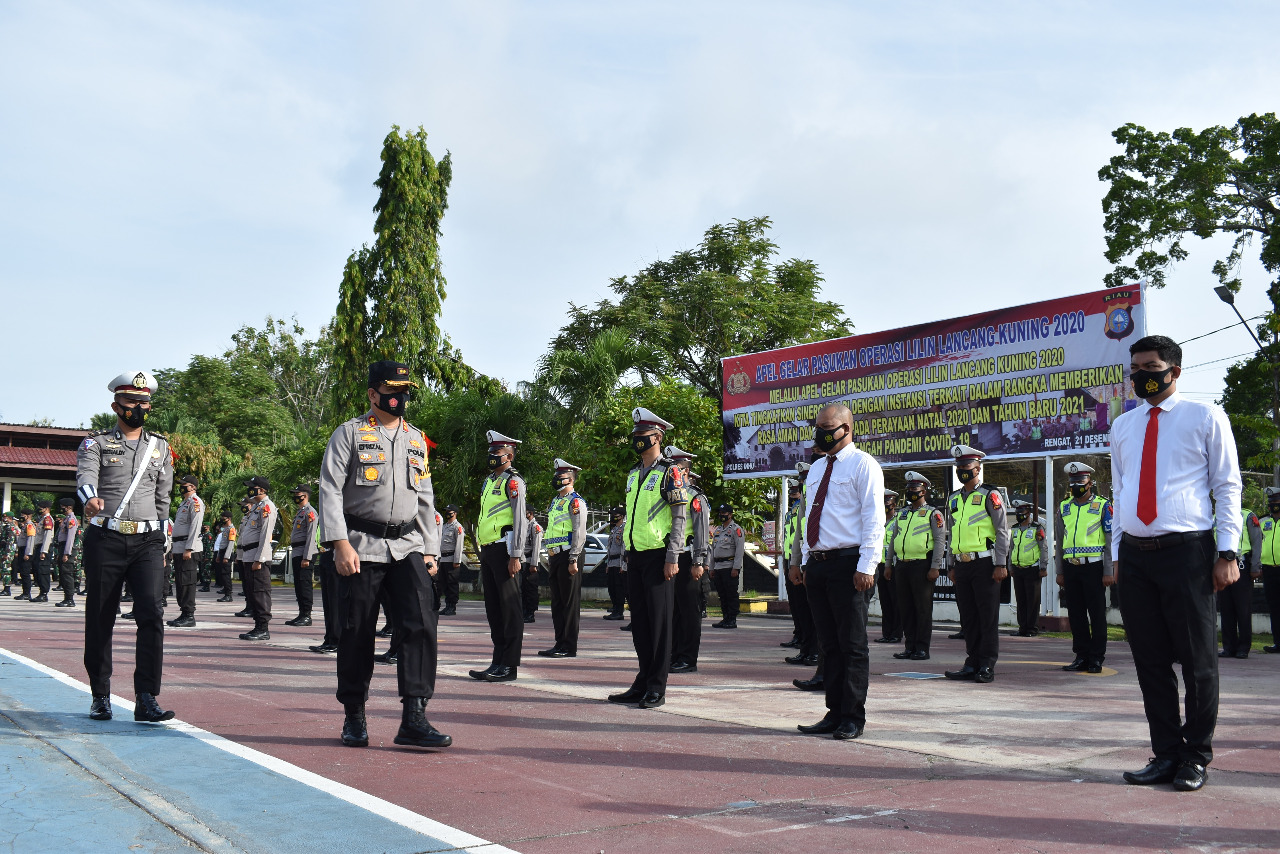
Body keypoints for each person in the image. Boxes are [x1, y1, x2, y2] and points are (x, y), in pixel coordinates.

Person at [1112, 335, 1242, 793]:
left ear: (1174, 371)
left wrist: (1228, 552)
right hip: (1135, 554)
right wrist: (1115, 555)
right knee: (1149, 661)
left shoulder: (1204, 417)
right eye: (1134, 369)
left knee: (1197, 661)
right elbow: (1120, 490)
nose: (1140, 376)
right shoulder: (1123, 426)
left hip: (1187, 552)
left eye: (1150, 367)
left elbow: (1227, 487)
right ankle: (1165, 752)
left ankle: (1195, 756)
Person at [319, 359, 449, 749]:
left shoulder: (415, 438)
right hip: (361, 544)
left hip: (407, 545)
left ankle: (414, 716)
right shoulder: (349, 434)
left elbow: (424, 497)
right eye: (392, 392)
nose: (400, 398)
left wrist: (430, 550)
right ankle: (354, 715)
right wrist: (338, 542)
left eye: (404, 391)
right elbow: (330, 488)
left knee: (421, 624)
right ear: (373, 393)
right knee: (357, 629)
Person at [76, 370, 175, 723]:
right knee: (101, 615)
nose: (140, 407)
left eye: (145, 402)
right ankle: (100, 694)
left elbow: (164, 497)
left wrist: (163, 540)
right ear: (117, 405)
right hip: (107, 537)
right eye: (133, 401)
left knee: (152, 612)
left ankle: (146, 697)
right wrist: (89, 500)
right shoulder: (96, 443)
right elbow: (85, 477)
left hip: (147, 539)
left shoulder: (160, 446)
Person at [793, 403, 885, 740]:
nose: (820, 432)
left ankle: (852, 717)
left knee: (852, 644)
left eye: (827, 426)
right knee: (828, 644)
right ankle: (833, 711)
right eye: (818, 426)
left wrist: (867, 565)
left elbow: (875, 519)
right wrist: (803, 559)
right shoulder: (817, 469)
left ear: (846, 428)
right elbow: (809, 519)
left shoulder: (864, 465)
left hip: (850, 565)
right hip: (818, 565)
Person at [607, 408, 687, 709]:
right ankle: (642, 681)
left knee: (659, 625)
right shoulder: (633, 474)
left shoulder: (670, 472)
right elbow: (632, 517)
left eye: (643, 436)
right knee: (639, 624)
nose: (638, 441)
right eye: (635, 436)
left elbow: (679, 516)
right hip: (636, 556)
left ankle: (657, 686)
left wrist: (673, 555)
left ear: (658, 437)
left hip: (659, 556)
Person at [942, 445, 1010, 684]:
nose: (962, 471)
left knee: (987, 616)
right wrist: (951, 564)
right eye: (959, 467)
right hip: (961, 565)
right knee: (968, 617)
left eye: (966, 467)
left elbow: (1002, 531)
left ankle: (987, 664)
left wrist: (1001, 563)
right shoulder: (953, 499)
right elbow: (951, 534)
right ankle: (972, 662)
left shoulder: (990, 495)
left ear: (978, 469)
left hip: (985, 563)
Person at [468, 431, 528, 683]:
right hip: (489, 549)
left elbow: (519, 520)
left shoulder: (513, 482)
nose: (492, 457)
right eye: (490, 452)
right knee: (494, 608)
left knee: (509, 609)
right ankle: (497, 660)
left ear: (509, 456)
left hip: (505, 550)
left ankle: (509, 665)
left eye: (497, 453)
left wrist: (516, 554)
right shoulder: (489, 481)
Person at [1057, 461, 1113, 673]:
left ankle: (1096, 657)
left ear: (1090, 482)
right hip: (1071, 567)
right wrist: (1060, 571)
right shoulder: (1064, 507)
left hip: (1094, 567)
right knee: (1076, 614)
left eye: (1080, 481)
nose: (1076, 486)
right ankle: (1081, 655)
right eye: (1073, 482)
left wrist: (1109, 571)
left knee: (1096, 613)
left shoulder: (1103, 505)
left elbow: (1109, 540)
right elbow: (1061, 540)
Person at [886, 471, 946, 661]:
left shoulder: (933, 513)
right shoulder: (902, 514)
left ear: (924, 491)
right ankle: (909, 646)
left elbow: (939, 541)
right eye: (909, 489)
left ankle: (922, 648)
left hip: (922, 566)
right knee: (906, 608)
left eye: (915, 489)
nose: (911, 492)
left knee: (922, 609)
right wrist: (889, 564)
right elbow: (894, 540)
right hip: (902, 566)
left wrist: (935, 566)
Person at [540, 459, 589, 658]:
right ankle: (559, 642)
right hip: (554, 555)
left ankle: (569, 646)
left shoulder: (575, 501)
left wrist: (574, 558)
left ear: (570, 479)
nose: (557, 480)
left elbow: (579, 531)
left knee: (569, 603)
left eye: (560, 477)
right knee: (557, 602)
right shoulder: (555, 501)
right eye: (556, 476)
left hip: (569, 554)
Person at [669, 449, 708, 674]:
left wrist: (699, 560)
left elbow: (702, 531)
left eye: (674, 469)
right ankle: (674, 654)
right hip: (672, 557)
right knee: (673, 610)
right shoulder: (669, 494)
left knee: (689, 611)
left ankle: (687, 657)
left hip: (689, 557)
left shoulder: (695, 496)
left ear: (684, 471)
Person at [1218, 500, 1261, 659]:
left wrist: (1255, 567)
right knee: (1226, 609)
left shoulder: (1248, 515)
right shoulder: (1217, 517)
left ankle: (1243, 647)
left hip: (1242, 565)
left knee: (1242, 609)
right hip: (1221, 566)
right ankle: (1228, 647)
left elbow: (1257, 542)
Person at [237, 477, 278, 641]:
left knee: (260, 592)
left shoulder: (267, 507)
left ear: (262, 490)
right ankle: (257, 625)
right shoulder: (256, 508)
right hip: (249, 555)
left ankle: (263, 628)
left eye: (252, 487)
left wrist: (259, 559)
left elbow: (265, 534)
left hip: (257, 556)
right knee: (253, 592)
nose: (250, 490)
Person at [166, 475, 204, 627]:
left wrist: (189, 548)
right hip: (180, 547)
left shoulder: (195, 502)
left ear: (193, 487)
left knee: (187, 583)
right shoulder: (184, 503)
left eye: (184, 484)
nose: (182, 487)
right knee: (181, 582)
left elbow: (195, 527)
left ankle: (189, 615)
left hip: (189, 549)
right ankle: (184, 613)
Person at [1008, 500, 1048, 638]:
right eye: (1017, 514)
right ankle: (1022, 627)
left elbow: (1043, 548)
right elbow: (1011, 548)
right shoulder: (1014, 529)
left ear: (1028, 514)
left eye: (1022, 514)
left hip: (1032, 568)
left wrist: (1043, 566)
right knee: (1021, 600)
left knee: (1033, 600)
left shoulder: (1037, 528)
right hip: (1017, 568)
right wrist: (1010, 566)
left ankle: (1032, 628)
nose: (1019, 516)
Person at [286, 484, 319, 627]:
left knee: (305, 585)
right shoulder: (300, 512)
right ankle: (301, 613)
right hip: (297, 551)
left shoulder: (310, 512)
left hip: (305, 552)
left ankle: (307, 615)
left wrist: (307, 557)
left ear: (304, 495)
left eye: (297, 494)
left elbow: (312, 536)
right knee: (299, 585)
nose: (295, 497)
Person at [872, 490, 901, 644]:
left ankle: (896, 633)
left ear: (893, 505)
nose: (884, 506)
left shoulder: (898, 521)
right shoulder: (878, 522)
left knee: (895, 601)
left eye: (887, 503)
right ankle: (887, 633)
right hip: (880, 565)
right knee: (885, 601)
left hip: (894, 566)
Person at [709, 504, 745, 629]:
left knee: (731, 594)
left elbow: (740, 550)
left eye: (724, 513)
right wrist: (711, 568)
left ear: (730, 514)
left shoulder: (736, 529)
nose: (721, 515)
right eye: (720, 512)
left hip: (729, 567)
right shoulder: (718, 530)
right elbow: (713, 550)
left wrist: (736, 568)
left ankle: (732, 619)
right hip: (718, 567)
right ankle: (725, 618)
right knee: (722, 595)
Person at [1258, 488, 1280, 654]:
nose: (1274, 505)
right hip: (1268, 569)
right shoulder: (1263, 521)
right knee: (1274, 607)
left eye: (1276, 502)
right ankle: (1277, 642)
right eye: (1271, 502)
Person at [437, 505, 464, 616]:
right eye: (446, 511)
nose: (447, 513)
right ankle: (447, 606)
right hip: (442, 559)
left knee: (452, 584)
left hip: (451, 559)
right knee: (442, 583)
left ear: (455, 513)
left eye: (449, 511)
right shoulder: (444, 526)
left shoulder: (457, 527)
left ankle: (452, 607)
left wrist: (457, 560)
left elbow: (459, 544)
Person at [54, 497, 81, 607]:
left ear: (69, 507)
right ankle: (66, 598)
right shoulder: (66, 519)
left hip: (67, 548)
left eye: (63, 507)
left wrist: (66, 553)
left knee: (67, 574)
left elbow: (70, 538)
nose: (61, 509)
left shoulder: (71, 520)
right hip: (62, 547)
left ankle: (70, 599)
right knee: (63, 574)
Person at [603, 506, 627, 620]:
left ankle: (619, 611)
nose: (613, 517)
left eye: (615, 515)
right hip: (611, 561)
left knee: (618, 588)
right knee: (611, 587)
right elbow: (610, 547)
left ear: (621, 516)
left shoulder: (624, 529)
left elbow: (623, 547)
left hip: (619, 562)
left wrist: (623, 565)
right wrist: (608, 564)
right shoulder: (613, 530)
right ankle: (615, 608)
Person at [521, 509, 543, 623]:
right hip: (523, 561)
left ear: (530, 513)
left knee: (531, 590)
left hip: (531, 562)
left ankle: (530, 613)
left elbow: (537, 547)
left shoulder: (535, 527)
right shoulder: (524, 525)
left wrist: (534, 564)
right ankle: (524, 612)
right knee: (523, 589)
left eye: (525, 512)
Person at [32, 499, 55, 602]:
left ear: (46, 509)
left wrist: (44, 551)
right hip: (39, 547)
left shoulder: (47, 520)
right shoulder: (42, 519)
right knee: (38, 570)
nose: (39, 510)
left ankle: (44, 593)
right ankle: (41, 592)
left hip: (44, 548)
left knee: (43, 571)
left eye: (41, 509)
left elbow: (47, 536)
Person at [212, 510, 236, 602]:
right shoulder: (225, 529)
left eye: (224, 518)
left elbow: (230, 543)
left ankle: (228, 594)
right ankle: (226, 592)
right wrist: (219, 555)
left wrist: (226, 556)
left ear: (228, 518)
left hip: (227, 552)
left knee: (226, 575)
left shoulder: (231, 529)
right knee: (222, 574)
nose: (222, 519)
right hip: (221, 552)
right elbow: (221, 543)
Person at [13, 509, 34, 600]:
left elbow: (30, 540)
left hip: (26, 550)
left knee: (25, 572)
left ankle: (27, 593)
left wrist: (28, 553)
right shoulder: (25, 525)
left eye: (23, 515)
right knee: (22, 572)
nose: (21, 517)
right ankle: (24, 592)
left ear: (28, 516)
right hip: (22, 549)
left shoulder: (29, 525)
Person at [1, 512, 18, 596]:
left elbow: (10, 542)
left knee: (6, 570)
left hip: (8, 551)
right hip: (4, 550)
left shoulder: (11, 527)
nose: (4, 519)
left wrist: (6, 554)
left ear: (10, 518)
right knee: (4, 570)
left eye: (6, 517)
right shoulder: (6, 527)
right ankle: (5, 587)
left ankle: (7, 589)